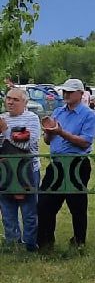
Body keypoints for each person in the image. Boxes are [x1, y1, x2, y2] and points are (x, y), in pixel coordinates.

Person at [37, 79, 95, 250]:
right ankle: (45, 242)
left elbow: (85, 142)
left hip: (76, 163)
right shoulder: (58, 111)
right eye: (65, 91)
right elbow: (48, 141)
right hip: (57, 163)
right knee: (44, 203)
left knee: (77, 204)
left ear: (80, 93)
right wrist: (49, 133)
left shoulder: (89, 115)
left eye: (70, 92)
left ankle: (79, 241)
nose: (66, 95)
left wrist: (61, 132)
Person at [0, 84, 41, 251]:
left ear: (24, 103)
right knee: (7, 210)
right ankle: (12, 244)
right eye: (8, 98)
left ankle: (30, 245)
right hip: (5, 171)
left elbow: (25, 143)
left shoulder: (32, 118)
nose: (10, 102)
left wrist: (5, 131)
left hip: (27, 170)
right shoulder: (2, 117)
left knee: (29, 211)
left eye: (15, 100)